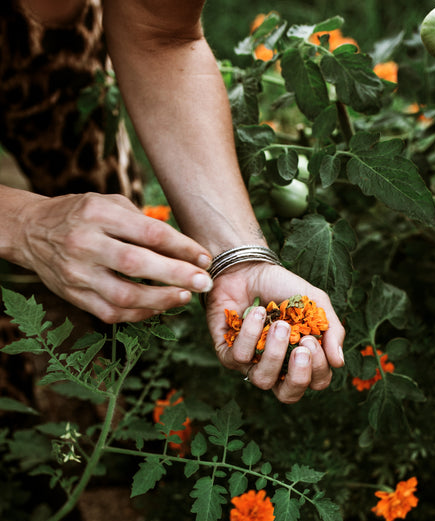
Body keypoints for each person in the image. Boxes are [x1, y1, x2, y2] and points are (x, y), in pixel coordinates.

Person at [0, 0, 345, 404]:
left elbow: (161, 36)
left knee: (112, 265)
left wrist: (237, 256)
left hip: (46, 51)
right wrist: (25, 225)